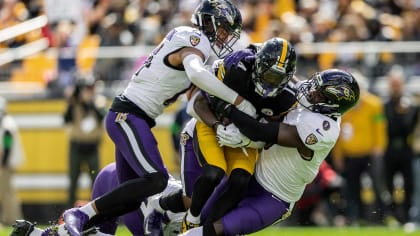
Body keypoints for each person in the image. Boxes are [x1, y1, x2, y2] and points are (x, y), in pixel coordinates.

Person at [60, 1, 252, 235]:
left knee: (133, 198)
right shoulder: (194, 38)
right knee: (157, 180)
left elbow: (193, 104)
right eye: (223, 28)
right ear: (209, 23)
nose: (224, 36)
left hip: (133, 117)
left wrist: (220, 122)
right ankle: (81, 214)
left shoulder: (197, 49)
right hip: (129, 115)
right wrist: (238, 100)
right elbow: (195, 73)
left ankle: (76, 229)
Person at [180, 68, 360, 235]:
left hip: (274, 196)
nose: (311, 91)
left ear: (333, 106)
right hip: (250, 175)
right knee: (201, 216)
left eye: (319, 93)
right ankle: (159, 209)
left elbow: (261, 131)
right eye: (315, 84)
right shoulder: (309, 101)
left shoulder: (323, 129)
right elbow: (288, 78)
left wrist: (228, 109)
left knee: (215, 230)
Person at [147, 37, 297, 233]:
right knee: (211, 175)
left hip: (246, 140)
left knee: (240, 180)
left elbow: (270, 136)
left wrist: (247, 139)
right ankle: (186, 218)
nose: (270, 82)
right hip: (210, 126)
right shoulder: (237, 66)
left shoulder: (287, 97)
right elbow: (198, 103)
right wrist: (218, 125)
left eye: (277, 78)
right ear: (258, 64)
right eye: (268, 74)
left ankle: (205, 228)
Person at [9, 162, 185, 236]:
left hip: (125, 180)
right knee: (86, 229)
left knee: (88, 230)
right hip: (132, 191)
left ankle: (36, 233)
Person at [331, 70, 391, 225]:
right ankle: (355, 218)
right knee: (351, 189)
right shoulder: (343, 105)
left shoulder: (374, 104)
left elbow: (380, 128)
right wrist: (338, 156)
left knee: (378, 186)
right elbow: (337, 133)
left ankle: (383, 217)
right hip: (350, 155)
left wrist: (379, 148)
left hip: (370, 154)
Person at [63, 77, 106, 208]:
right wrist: (75, 97)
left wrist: (90, 102)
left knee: (95, 180)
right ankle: (68, 211)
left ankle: (96, 210)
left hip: (93, 146)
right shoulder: (74, 103)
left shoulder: (99, 101)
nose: (87, 91)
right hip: (76, 146)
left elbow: (102, 115)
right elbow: (66, 118)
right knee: (73, 180)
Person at [383, 68, 418, 223]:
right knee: (387, 184)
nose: (395, 86)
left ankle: (406, 216)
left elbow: (410, 127)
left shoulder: (411, 104)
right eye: (393, 84)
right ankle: (392, 216)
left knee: (408, 185)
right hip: (388, 148)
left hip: (406, 148)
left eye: (398, 83)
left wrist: (406, 112)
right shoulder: (383, 104)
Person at [0, 96, 25, 226]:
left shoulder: (6, 124)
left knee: (7, 192)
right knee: (7, 192)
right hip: (7, 163)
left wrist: (3, 163)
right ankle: (9, 218)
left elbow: (7, 145)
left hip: (7, 164)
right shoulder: (7, 122)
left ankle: (11, 219)